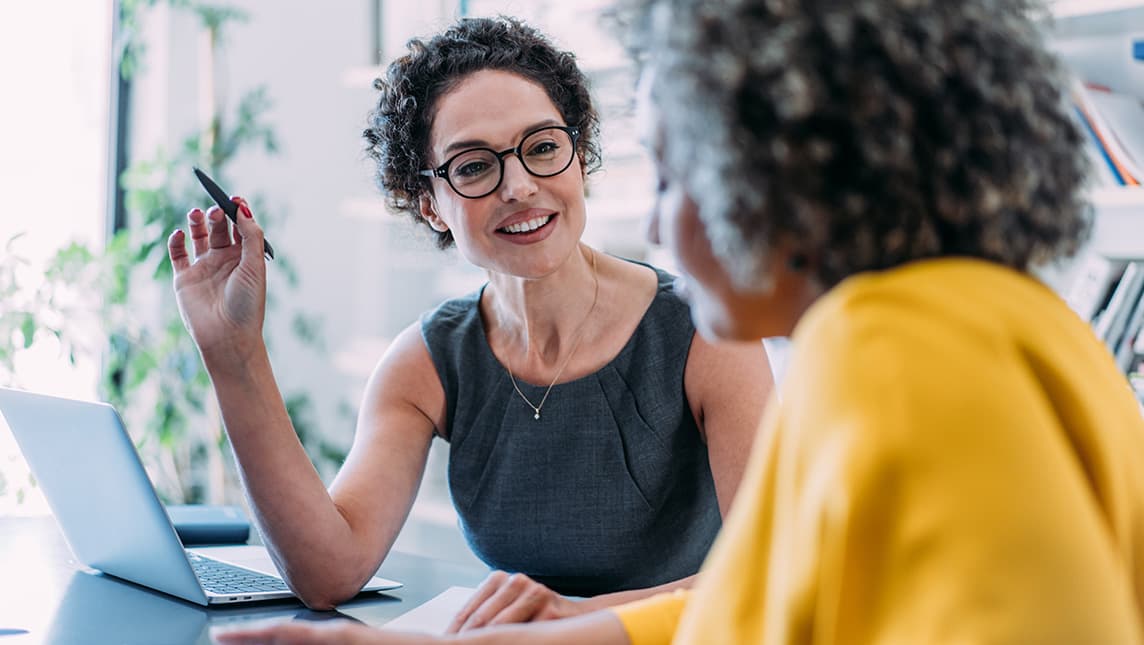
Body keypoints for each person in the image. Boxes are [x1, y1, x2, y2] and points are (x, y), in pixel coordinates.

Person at [212, 0, 1144, 643]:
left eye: (670, 170)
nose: (655, 222)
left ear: (777, 169)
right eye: (475, 166)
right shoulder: (964, 318)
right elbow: (756, 603)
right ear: (430, 200)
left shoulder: (900, 348)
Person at [167, 14, 771, 623]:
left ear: (580, 159)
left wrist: (569, 623)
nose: (519, 187)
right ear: (429, 204)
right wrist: (232, 350)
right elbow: (328, 571)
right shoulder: (427, 361)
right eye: (475, 166)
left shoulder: (707, 332)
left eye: (542, 149)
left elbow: (772, 572)